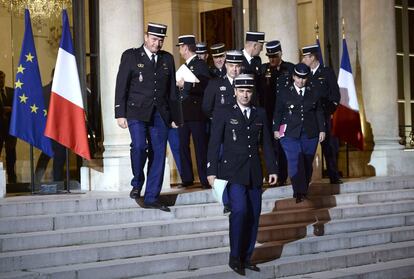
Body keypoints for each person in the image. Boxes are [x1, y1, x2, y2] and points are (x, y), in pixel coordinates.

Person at [207, 74, 277, 275]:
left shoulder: (260, 113)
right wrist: (211, 170)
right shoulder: (223, 112)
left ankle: (247, 257)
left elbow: (266, 144)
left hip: (254, 171)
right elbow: (214, 143)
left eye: (248, 91)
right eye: (241, 91)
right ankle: (235, 256)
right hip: (232, 172)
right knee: (239, 211)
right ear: (235, 91)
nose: (245, 95)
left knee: (253, 215)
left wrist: (271, 168)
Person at [115, 22, 177, 212]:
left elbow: (172, 90)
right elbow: (121, 85)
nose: (157, 44)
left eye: (160, 40)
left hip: (160, 114)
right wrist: (120, 112)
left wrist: (175, 116)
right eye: (154, 39)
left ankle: (151, 197)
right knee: (140, 146)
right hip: (136, 111)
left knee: (158, 154)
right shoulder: (131, 56)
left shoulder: (168, 59)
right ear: (146, 37)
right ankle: (137, 181)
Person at [273, 63, 326, 203]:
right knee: (295, 160)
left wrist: (322, 129)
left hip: (310, 133)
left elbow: (319, 111)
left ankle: (304, 189)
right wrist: (275, 129)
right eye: (298, 77)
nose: (301, 81)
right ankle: (298, 191)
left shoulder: (313, 91)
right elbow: (278, 112)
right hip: (290, 132)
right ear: (293, 77)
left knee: (307, 162)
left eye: (304, 78)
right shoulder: (284, 92)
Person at [203, 50, 243, 215]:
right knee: (221, 167)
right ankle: (226, 200)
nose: (235, 69)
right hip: (221, 133)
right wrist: (218, 121)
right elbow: (206, 107)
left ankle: (237, 197)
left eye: (238, 66)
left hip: (240, 133)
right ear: (226, 65)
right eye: (232, 65)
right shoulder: (215, 84)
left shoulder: (246, 85)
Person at [301, 44, 342, 184]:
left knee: (328, 147)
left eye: (305, 57)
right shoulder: (304, 75)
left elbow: (335, 96)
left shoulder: (326, 72)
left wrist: (329, 112)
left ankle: (333, 175)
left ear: (312, 57)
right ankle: (305, 178)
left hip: (324, 116)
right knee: (307, 147)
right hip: (309, 117)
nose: (303, 60)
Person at [176, 34, 211, 189]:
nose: (180, 51)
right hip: (184, 113)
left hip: (196, 113)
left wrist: (187, 84)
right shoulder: (185, 66)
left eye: (181, 47)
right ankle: (187, 177)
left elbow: (205, 85)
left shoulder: (200, 64)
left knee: (200, 146)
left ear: (185, 48)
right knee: (182, 145)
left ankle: (204, 178)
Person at [260, 40, 294, 186]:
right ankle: (272, 174)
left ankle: (282, 175)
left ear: (280, 53)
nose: (272, 59)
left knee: (282, 144)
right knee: (269, 144)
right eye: (269, 56)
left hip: (283, 116)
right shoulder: (263, 69)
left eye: (274, 56)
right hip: (268, 115)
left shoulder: (289, 68)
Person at [34, 69, 66, 185]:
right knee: (59, 156)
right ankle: (57, 182)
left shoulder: (43, 90)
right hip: (58, 130)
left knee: (45, 155)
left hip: (47, 130)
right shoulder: (63, 93)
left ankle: (36, 181)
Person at [0, 70, 17, 183]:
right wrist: (2, 110)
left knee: (11, 155)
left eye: (2, 77)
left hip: (10, 129)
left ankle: (12, 179)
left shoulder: (12, 91)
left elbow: (18, 107)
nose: (1, 80)